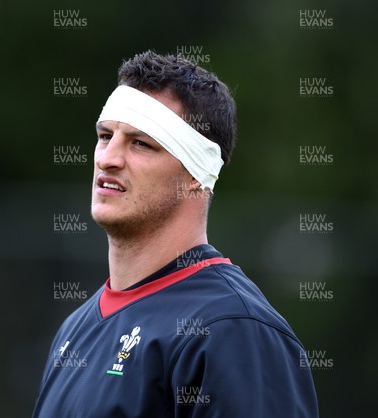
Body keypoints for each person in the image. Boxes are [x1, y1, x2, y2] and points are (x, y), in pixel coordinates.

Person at [33, 51, 319, 417]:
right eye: (105, 136)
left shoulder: (233, 331)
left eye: (141, 143)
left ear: (197, 172)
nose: (108, 158)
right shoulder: (74, 330)